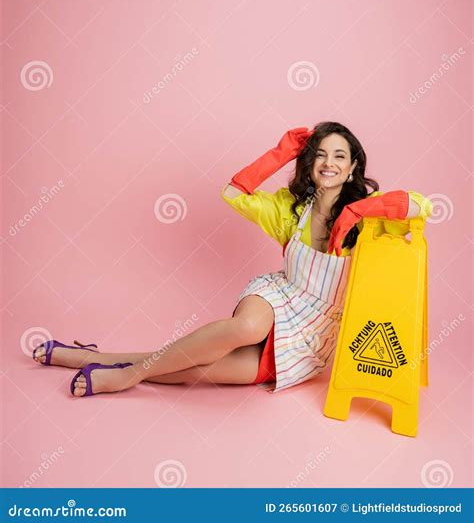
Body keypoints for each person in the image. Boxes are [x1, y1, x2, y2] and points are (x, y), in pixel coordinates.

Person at [32, 121, 433, 397]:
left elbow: (422, 205)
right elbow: (234, 193)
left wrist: (356, 213)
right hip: (278, 297)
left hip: (312, 333)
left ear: (352, 167)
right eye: (320, 155)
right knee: (245, 327)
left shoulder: (372, 215)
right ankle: (125, 379)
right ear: (309, 164)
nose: (329, 163)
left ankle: (92, 357)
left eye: (339, 156)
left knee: (198, 369)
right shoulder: (290, 208)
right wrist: (280, 152)